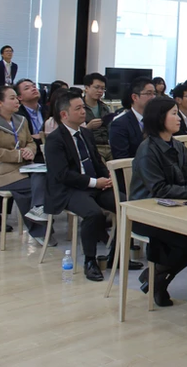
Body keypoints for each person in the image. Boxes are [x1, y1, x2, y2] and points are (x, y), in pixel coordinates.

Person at [44, 90, 141, 282]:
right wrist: (95, 182)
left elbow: (96, 161)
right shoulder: (55, 139)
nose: (83, 112)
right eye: (78, 108)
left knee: (124, 203)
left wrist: (108, 178)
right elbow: (62, 175)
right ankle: (90, 260)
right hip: (69, 190)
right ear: (64, 114)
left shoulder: (86, 134)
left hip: (93, 185)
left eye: (83, 107)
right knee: (93, 213)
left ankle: (118, 254)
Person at [130, 97, 187, 307]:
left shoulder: (178, 146)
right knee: (186, 239)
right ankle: (158, 279)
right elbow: (158, 189)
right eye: (173, 114)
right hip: (146, 212)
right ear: (159, 118)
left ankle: (156, 277)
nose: (179, 118)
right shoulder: (147, 150)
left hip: (174, 208)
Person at [0, 86, 49, 242]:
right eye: (11, 98)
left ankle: (38, 211)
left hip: (23, 168)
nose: (17, 100)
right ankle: (39, 227)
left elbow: (31, 142)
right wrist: (18, 154)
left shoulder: (21, 120)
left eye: (16, 97)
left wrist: (30, 151)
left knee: (43, 176)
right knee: (34, 185)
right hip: (1, 173)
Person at [109, 77, 155, 160]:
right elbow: (121, 158)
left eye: (154, 94)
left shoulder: (156, 120)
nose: (153, 97)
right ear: (135, 97)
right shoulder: (120, 124)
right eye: (148, 93)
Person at [14, 78, 47, 163]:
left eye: (34, 86)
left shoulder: (48, 110)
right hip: (30, 156)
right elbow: (22, 140)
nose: (33, 89)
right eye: (27, 88)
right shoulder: (17, 115)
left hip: (50, 151)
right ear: (19, 97)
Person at [82, 73, 113, 161]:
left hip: (108, 146)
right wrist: (88, 127)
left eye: (102, 89)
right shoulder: (79, 107)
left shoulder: (105, 108)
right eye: (97, 87)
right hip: (91, 146)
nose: (100, 91)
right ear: (87, 88)